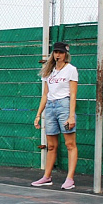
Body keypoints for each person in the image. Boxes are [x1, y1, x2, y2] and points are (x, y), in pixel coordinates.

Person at [32, 41, 78, 190]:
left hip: (64, 106)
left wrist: (71, 116)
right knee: (51, 145)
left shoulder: (71, 70)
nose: (58, 55)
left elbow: (73, 94)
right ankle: (47, 177)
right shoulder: (49, 71)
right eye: (56, 52)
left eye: (61, 52)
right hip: (50, 107)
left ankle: (69, 179)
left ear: (66, 54)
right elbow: (45, 94)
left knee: (70, 144)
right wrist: (38, 114)